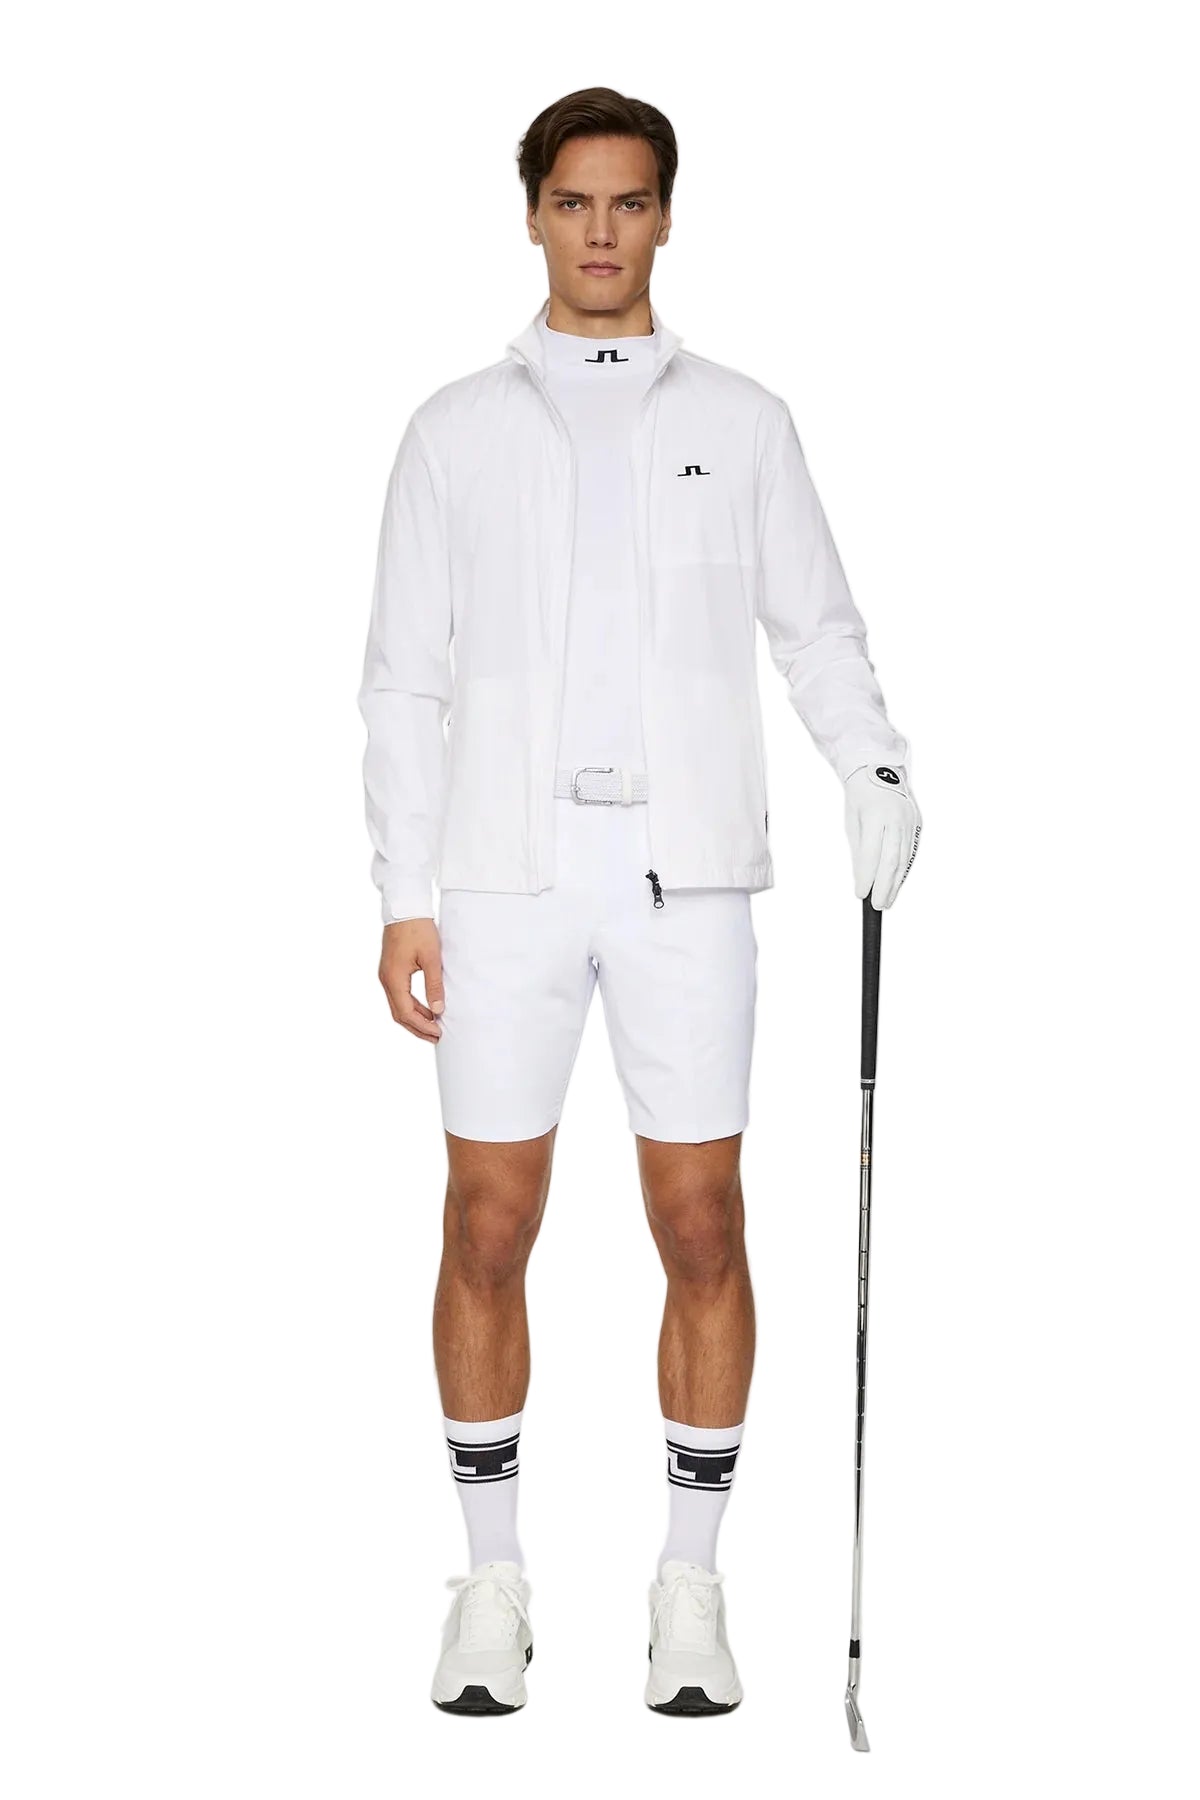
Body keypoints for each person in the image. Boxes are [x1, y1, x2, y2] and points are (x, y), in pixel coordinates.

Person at [358, 86, 920, 1717]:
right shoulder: (453, 431)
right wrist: (403, 892)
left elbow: (816, 627)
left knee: (703, 1221)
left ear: (667, 217)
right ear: (533, 214)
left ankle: (691, 1583)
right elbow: (402, 677)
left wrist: (874, 765)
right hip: (503, 875)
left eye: (629, 202)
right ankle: (492, 1582)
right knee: (487, 1220)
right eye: (573, 201)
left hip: (691, 879)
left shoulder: (742, 421)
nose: (600, 231)